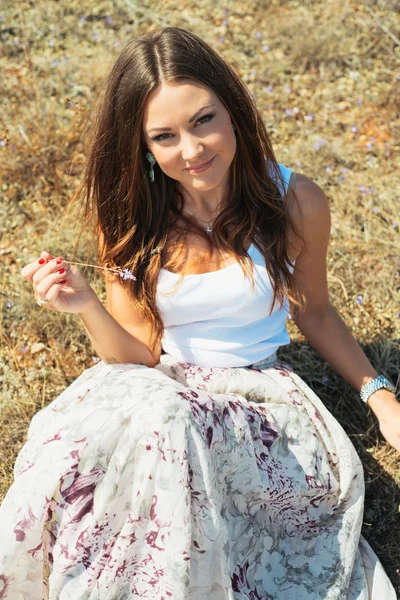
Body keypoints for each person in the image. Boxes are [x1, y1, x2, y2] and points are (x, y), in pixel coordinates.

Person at [0, 26, 398, 600]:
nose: (191, 150)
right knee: (156, 423)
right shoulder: (134, 220)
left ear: (232, 111)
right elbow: (136, 357)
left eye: (203, 120)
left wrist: (382, 400)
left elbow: (316, 314)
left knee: (168, 427)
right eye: (164, 136)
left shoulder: (294, 201)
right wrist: (87, 304)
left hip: (255, 401)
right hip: (153, 395)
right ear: (144, 147)